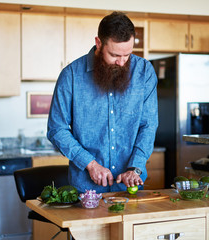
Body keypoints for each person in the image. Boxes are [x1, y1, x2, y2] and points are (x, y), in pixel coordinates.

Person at [47, 11, 158, 193]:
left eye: (127, 55)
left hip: (128, 187)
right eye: (114, 55)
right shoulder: (71, 75)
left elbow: (148, 125)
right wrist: (90, 164)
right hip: (86, 190)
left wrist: (135, 167)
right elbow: (56, 129)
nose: (122, 62)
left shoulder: (144, 72)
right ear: (99, 43)